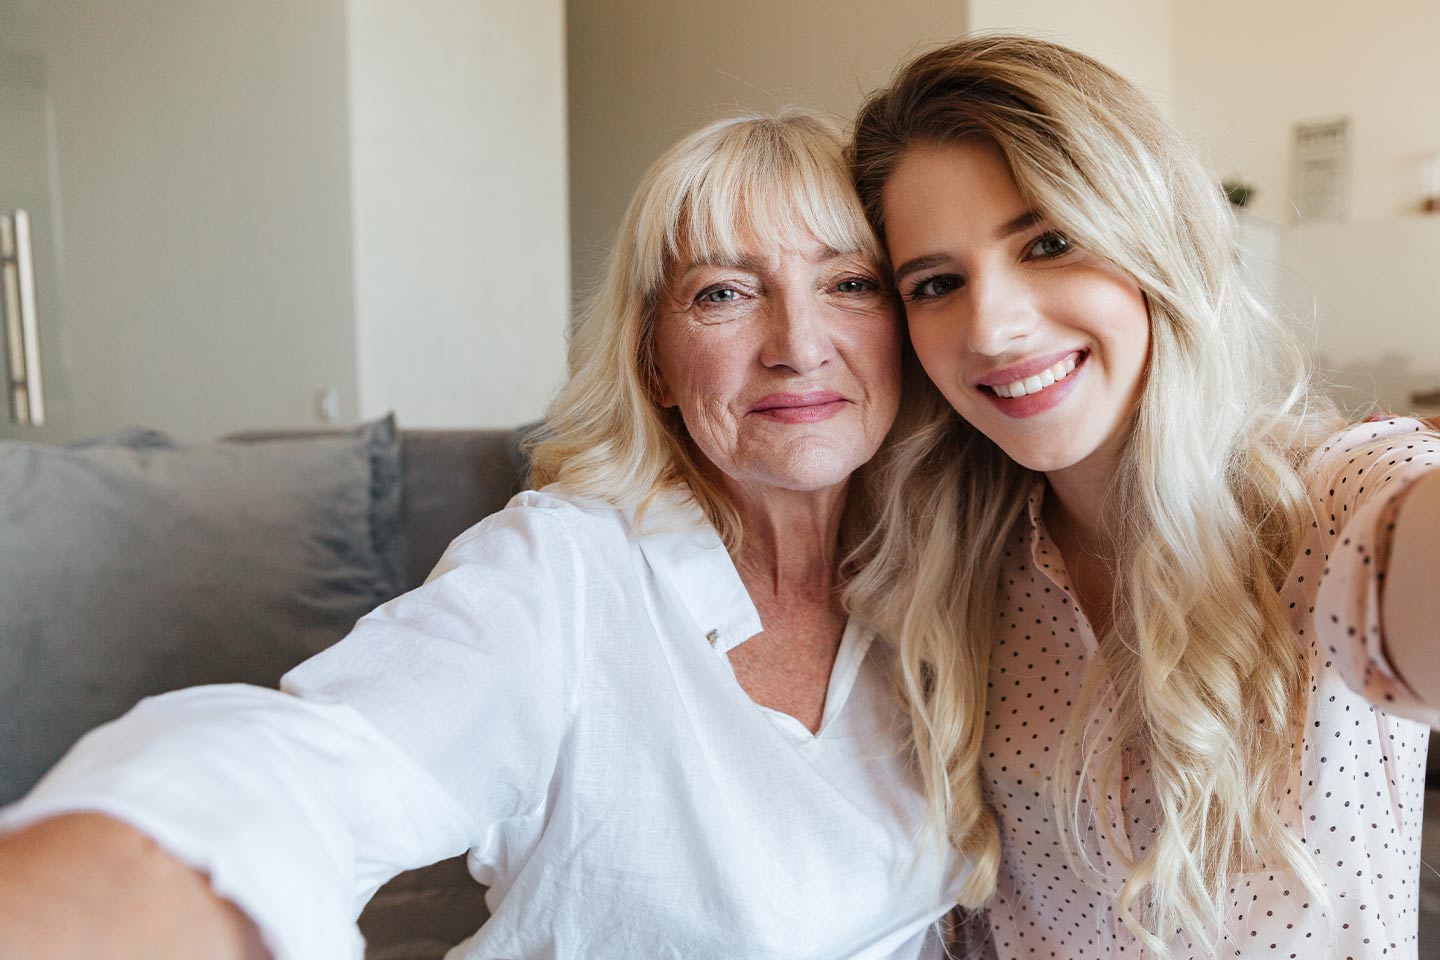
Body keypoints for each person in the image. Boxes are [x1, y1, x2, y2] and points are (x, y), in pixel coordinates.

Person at [0, 110, 971, 959]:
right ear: (656, 363)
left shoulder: (950, 575)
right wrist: (119, 873)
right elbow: (317, 771)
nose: (799, 344)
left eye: (850, 284)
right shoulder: (562, 572)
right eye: (724, 292)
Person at [844, 34, 1440, 959]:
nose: (993, 328)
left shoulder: (1331, 499)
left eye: (1048, 242)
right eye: (936, 283)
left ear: (1154, 238)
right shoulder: (946, 566)